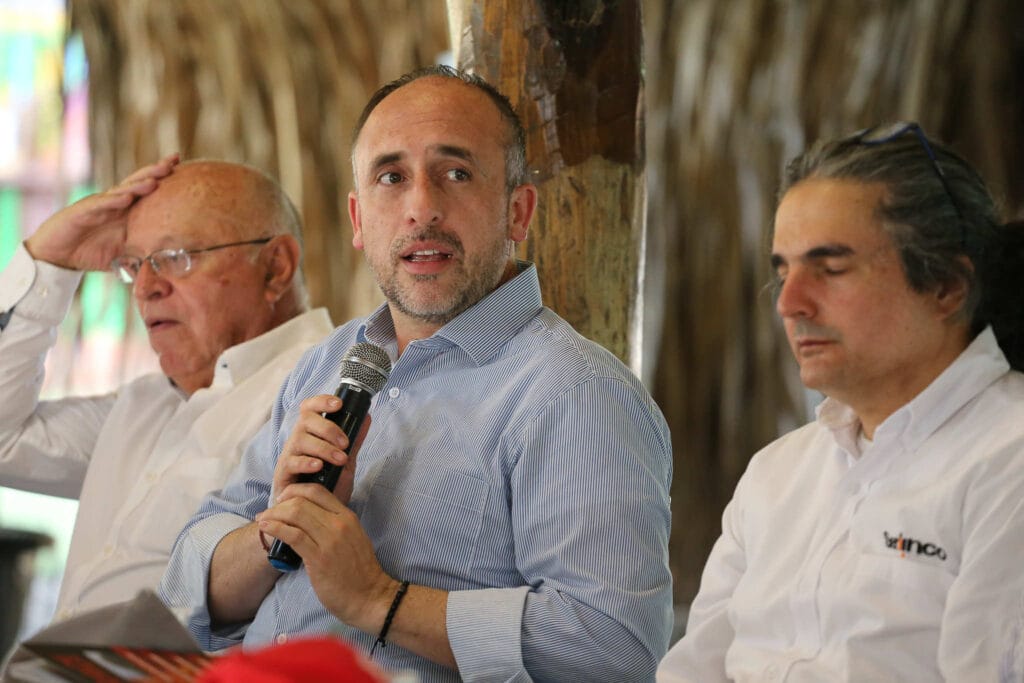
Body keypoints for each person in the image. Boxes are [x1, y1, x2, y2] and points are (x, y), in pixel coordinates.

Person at [159, 66, 674, 682]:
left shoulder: (576, 394)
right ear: (357, 218)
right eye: (391, 177)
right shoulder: (327, 363)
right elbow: (185, 584)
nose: (421, 208)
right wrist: (279, 533)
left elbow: (614, 652)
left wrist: (378, 599)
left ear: (517, 211)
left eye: (456, 173)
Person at [657, 122, 1024, 682]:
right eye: (783, 270)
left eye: (830, 269)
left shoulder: (1009, 459)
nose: (790, 302)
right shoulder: (779, 471)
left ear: (946, 285)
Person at [0, 157, 334, 622]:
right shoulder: (144, 404)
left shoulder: (327, 392)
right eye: (134, 265)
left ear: (275, 267)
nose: (145, 288)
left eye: (175, 258)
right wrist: (50, 260)